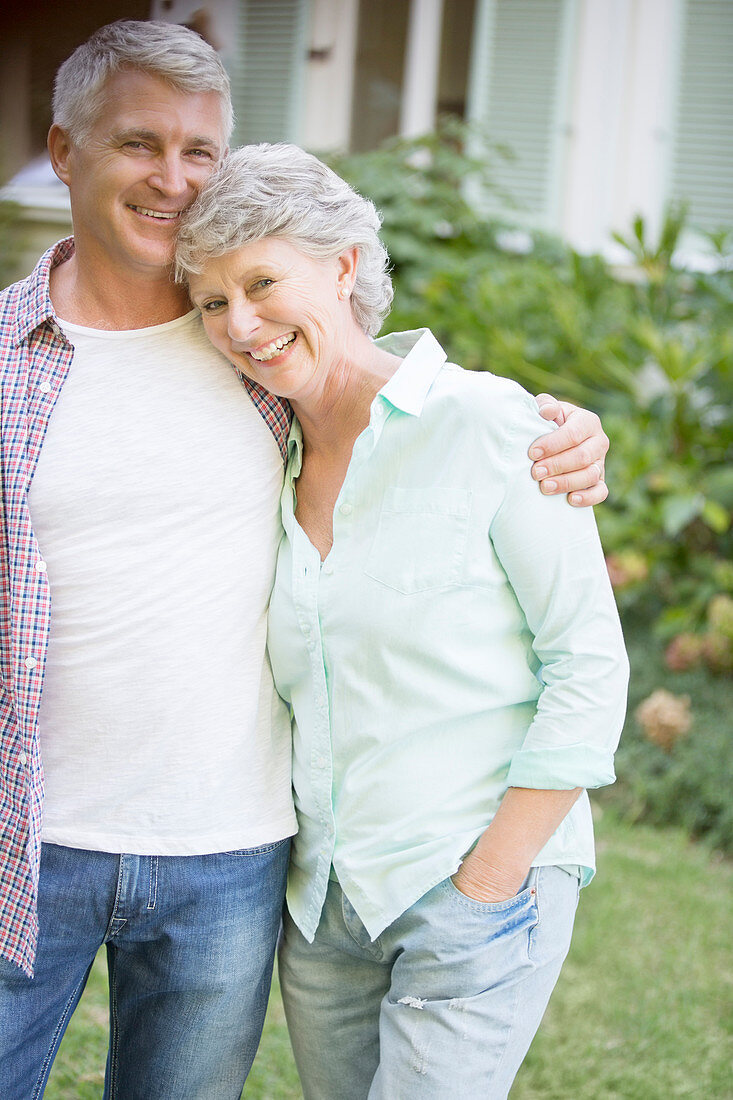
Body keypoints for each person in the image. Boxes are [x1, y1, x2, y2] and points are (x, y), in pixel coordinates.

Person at [0, 19, 609, 1098]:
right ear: (64, 149)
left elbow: (404, 404)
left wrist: (562, 436)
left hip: (239, 858)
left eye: (200, 153)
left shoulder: (296, 370)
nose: (174, 180)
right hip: (50, 848)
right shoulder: (48, 361)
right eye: (139, 143)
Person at [175, 142, 629, 1100]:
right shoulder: (256, 456)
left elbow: (587, 669)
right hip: (326, 906)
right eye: (212, 301)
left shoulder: (494, 428)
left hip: (470, 882)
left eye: (262, 282)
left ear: (343, 266)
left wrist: (489, 883)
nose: (240, 324)